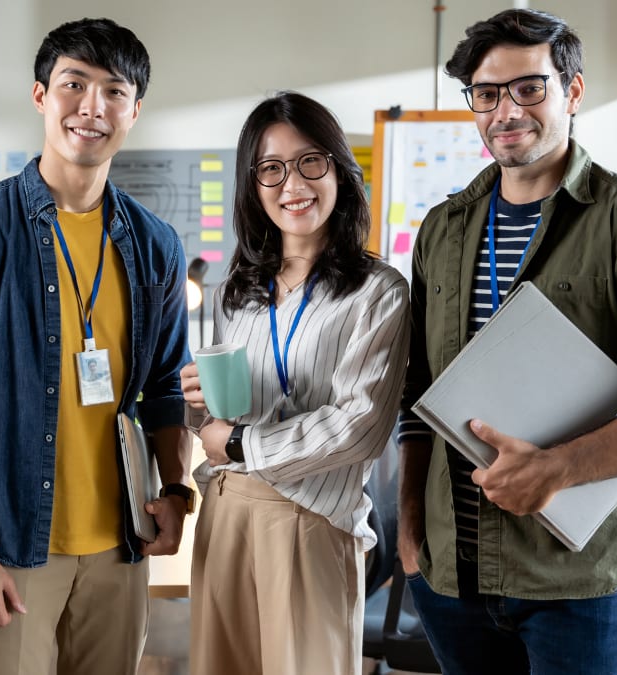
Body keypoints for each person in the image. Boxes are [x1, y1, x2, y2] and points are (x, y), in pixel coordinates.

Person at [397, 9, 617, 674]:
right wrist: (412, 537)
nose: (505, 111)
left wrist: (559, 467)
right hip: (450, 577)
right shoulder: (442, 229)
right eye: (487, 93)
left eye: (529, 88)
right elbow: (419, 390)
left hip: (576, 582)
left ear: (572, 91)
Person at [0, 18, 193, 675]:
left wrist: (176, 488)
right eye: (74, 84)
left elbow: (166, 387)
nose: (92, 108)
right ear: (41, 95)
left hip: (121, 544)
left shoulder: (156, 244)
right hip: (10, 543)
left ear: (135, 110)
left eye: (113, 92)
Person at [180, 92, 410, 675]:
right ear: (252, 185)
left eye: (311, 161)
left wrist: (238, 443)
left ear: (338, 168)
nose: (293, 184)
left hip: (311, 520)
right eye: (272, 168)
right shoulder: (241, 287)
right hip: (227, 510)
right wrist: (199, 406)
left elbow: (359, 426)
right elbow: (222, 419)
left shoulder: (377, 291)